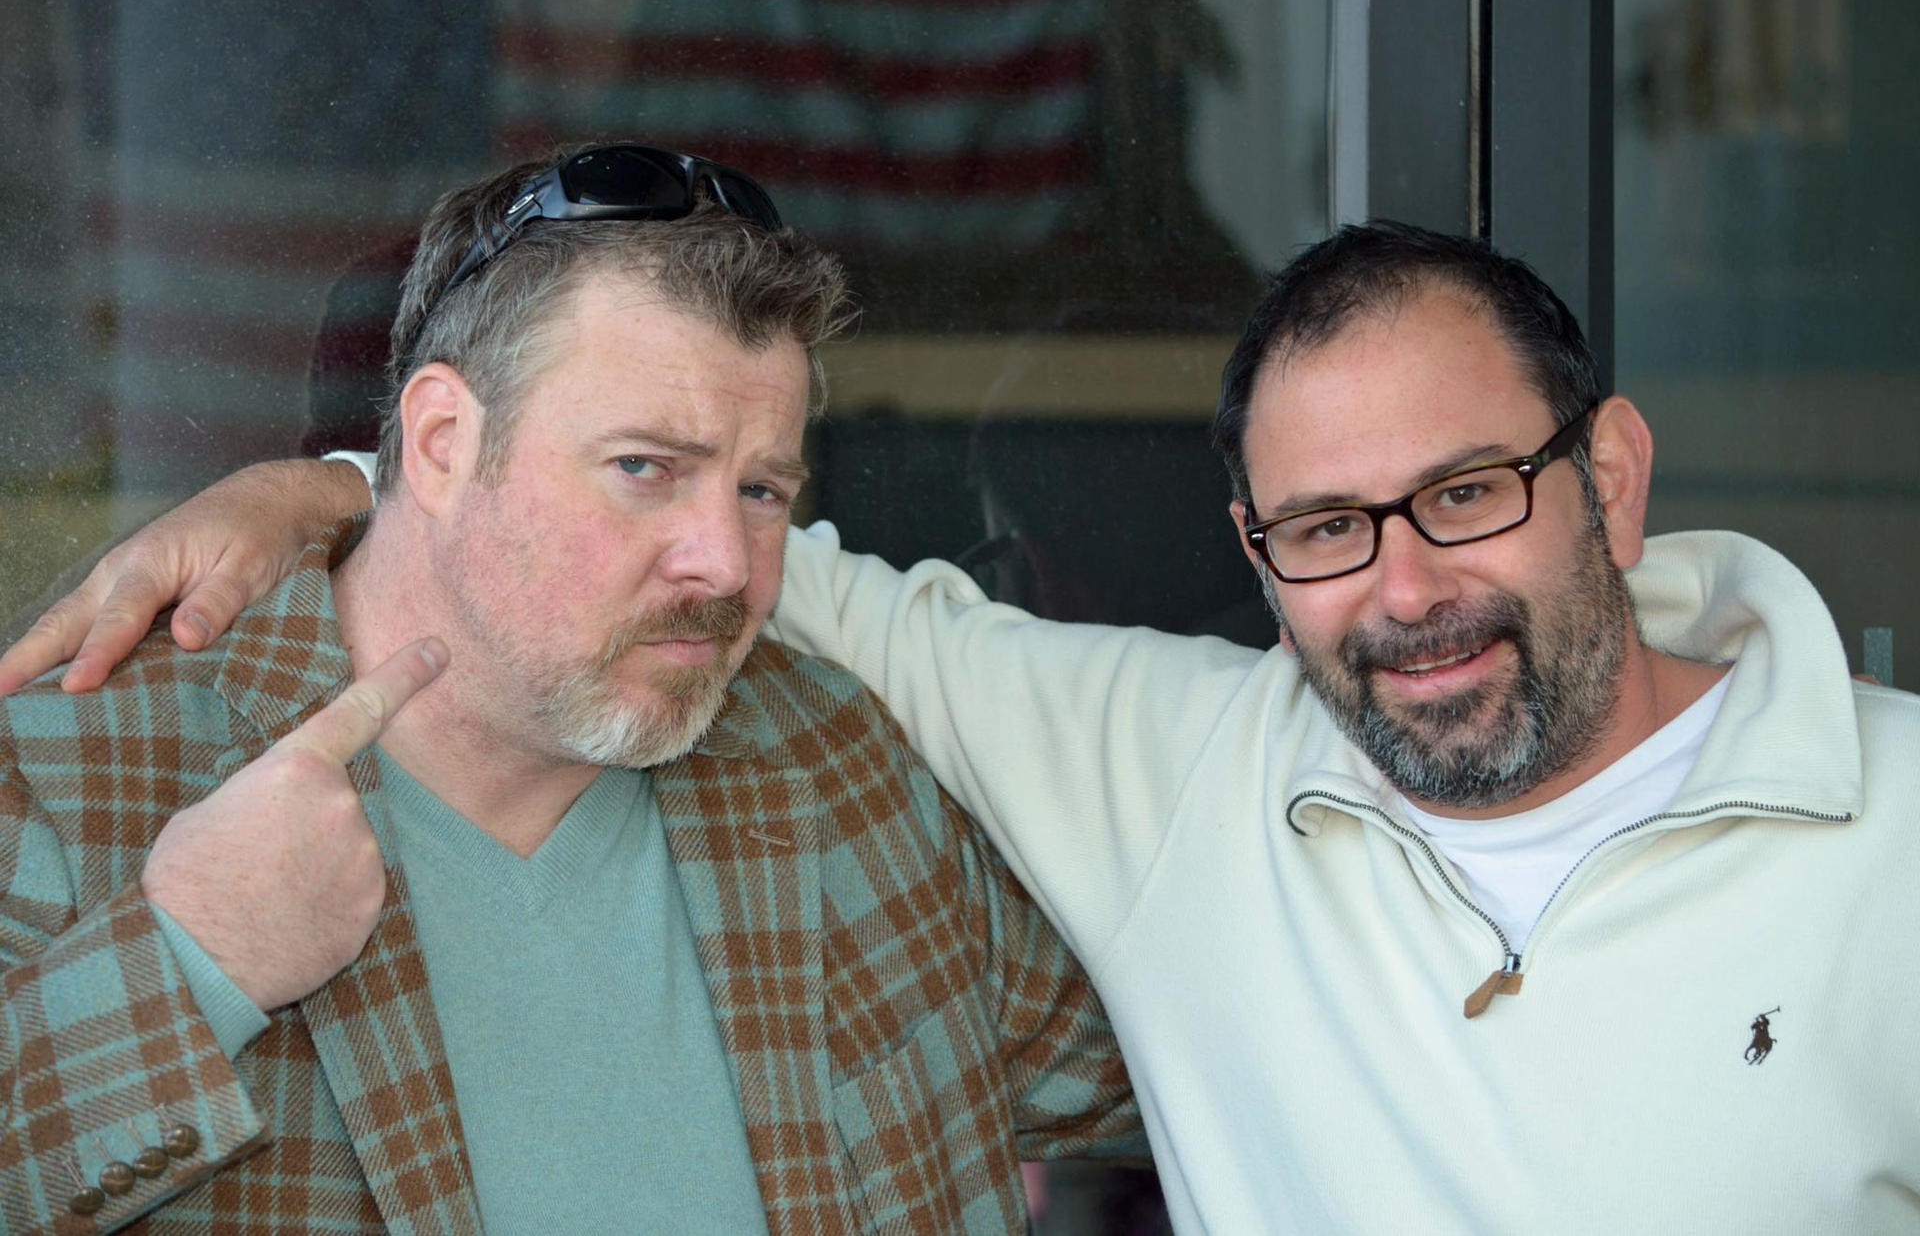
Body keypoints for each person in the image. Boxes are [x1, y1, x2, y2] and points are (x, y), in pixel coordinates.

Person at [9, 222, 1918, 1231]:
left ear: (1614, 477)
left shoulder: (839, 782)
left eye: (1473, 491)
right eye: (1327, 528)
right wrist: (183, 961)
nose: (1405, 588)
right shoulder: (77, 770)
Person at [0, 144, 1144, 1234]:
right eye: (646, 467)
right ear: (442, 443)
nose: (728, 563)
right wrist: (184, 963)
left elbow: (1189, 1062)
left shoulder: (828, 754)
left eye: (760, 489)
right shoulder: (73, 769)